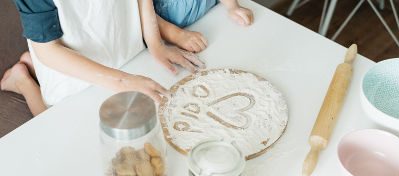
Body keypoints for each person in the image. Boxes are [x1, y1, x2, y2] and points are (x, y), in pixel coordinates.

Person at [1, 0, 254, 116]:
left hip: (121, 47)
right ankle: (23, 80)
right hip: (72, 65)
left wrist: (155, 44)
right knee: (49, 118)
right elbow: (49, 50)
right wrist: (122, 82)